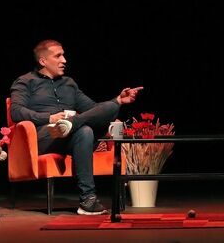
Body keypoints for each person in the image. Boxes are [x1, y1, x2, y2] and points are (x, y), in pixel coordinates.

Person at [10, 39, 143, 215]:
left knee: (101, 116)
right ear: (43, 61)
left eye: (63, 55)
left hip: (73, 136)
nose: (64, 60)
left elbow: (94, 110)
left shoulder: (69, 83)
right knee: (87, 127)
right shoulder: (25, 81)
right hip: (45, 137)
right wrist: (49, 117)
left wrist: (118, 100)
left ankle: (87, 200)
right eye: (58, 56)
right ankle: (88, 196)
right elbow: (16, 111)